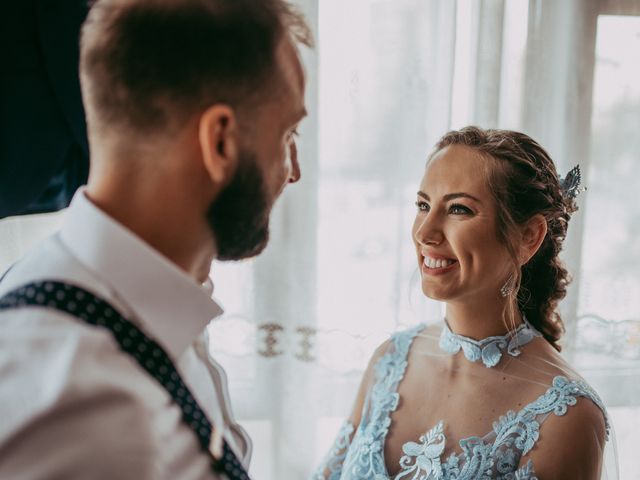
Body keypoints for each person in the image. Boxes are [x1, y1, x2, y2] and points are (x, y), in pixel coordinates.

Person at [0, 0, 311, 478]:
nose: (293, 171)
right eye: (287, 133)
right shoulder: (82, 409)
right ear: (220, 143)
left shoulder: (150, 314)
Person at [313, 127, 614, 479]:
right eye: (423, 205)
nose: (425, 233)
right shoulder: (389, 361)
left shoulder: (566, 417)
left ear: (528, 237)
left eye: (458, 209)